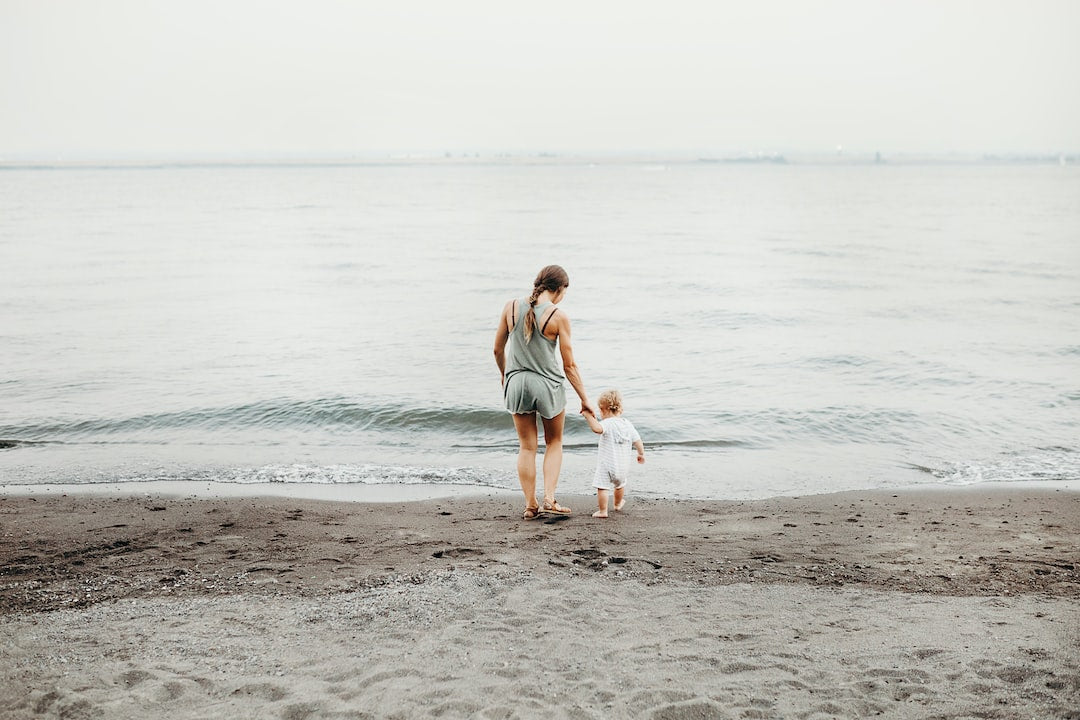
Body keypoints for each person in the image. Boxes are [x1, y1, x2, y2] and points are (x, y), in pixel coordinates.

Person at [494, 265, 594, 520]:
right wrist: (585, 399)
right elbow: (569, 365)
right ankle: (549, 498)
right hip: (547, 384)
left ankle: (530, 505)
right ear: (559, 290)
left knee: (527, 447)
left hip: (517, 383)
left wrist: (506, 375)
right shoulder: (558, 316)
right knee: (554, 442)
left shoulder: (511, 307)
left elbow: (497, 350)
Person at [581, 389, 645, 518]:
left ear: (603, 409)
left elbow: (597, 429)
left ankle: (603, 511)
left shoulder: (607, 423)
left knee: (602, 487)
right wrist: (641, 453)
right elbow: (637, 440)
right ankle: (617, 504)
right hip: (623, 466)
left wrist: (588, 416)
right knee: (620, 485)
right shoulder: (627, 424)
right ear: (619, 409)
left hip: (607, 464)